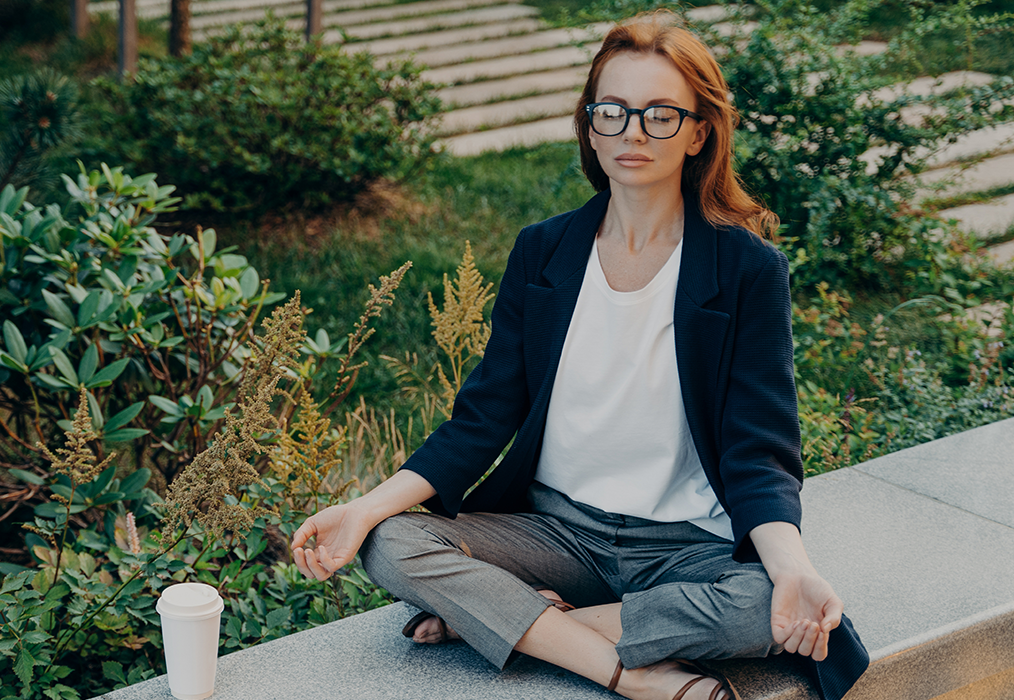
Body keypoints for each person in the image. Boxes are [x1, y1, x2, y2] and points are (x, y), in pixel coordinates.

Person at [291, 11, 870, 700]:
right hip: (555, 533)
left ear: (698, 131)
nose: (632, 132)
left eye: (660, 114)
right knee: (393, 544)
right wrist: (363, 509)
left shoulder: (745, 269)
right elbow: (482, 419)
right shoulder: (545, 252)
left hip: (685, 545)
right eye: (613, 111)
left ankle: (517, 622)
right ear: (589, 126)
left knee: (761, 604)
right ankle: (623, 670)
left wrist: (793, 566)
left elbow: (758, 450)